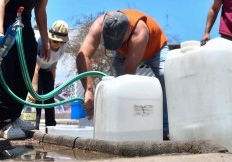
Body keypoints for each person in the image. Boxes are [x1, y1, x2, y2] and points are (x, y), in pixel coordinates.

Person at [75, 9, 170, 140]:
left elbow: (128, 77)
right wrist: (89, 90)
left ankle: (166, 129)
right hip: (124, 53)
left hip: (155, 49)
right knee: (119, 93)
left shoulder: (139, 32)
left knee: (165, 76)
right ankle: (122, 127)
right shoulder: (99, 24)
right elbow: (82, 56)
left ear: (128, 31)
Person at [0, 0, 50, 139]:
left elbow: (40, 10)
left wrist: (45, 40)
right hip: (2, 21)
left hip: (23, 23)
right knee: (3, 69)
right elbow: (0, 2)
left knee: (26, 65)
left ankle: (15, 116)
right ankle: (6, 122)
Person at [27, 20, 70, 130]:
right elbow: (36, 67)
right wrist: (33, 88)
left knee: (49, 98)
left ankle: (51, 125)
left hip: (48, 70)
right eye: (55, 41)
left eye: (61, 42)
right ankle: (35, 125)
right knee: (37, 97)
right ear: (49, 38)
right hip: (37, 70)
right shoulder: (42, 44)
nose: (58, 44)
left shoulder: (63, 45)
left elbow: (56, 60)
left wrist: (53, 76)